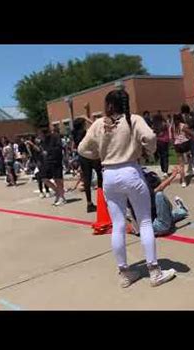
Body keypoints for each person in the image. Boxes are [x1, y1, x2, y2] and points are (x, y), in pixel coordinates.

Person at [78, 89, 177, 288]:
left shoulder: (99, 124)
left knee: (118, 224)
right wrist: (148, 150)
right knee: (145, 221)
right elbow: (149, 136)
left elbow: (82, 148)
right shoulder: (133, 120)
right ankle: (154, 270)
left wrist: (99, 154)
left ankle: (124, 272)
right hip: (130, 170)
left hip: (109, 174)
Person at [129, 166, 189, 236]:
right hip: (158, 226)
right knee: (160, 196)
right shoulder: (144, 192)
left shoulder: (129, 195)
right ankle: (181, 211)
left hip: (147, 226)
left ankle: (182, 210)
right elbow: (160, 188)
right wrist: (173, 175)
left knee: (170, 215)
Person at [72, 116, 102, 213]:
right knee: (100, 175)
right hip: (92, 155)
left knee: (87, 180)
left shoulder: (74, 133)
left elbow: (74, 146)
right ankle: (101, 199)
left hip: (82, 156)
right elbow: (95, 125)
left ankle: (89, 203)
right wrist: (86, 117)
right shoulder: (85, 132)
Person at [171, 113, 194, 188]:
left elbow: (172, 137)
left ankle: (183, 181)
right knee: (190, 156)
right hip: (185, 143)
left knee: (181, 165)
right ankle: (190, 168)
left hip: (177, 145)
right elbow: (192, 134)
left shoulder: (172, 126)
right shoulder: (183, 125)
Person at [41, 126, 66, 206]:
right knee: (44, 178)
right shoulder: (43, 140)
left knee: (58, 179)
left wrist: (48, 152)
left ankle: (61, 197)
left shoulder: (55, 137)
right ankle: (58, 192)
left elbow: (59, 148)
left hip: (56, 161)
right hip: (48, 161)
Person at [152, 112, 171, 178]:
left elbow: (153, 132)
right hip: (165, 141)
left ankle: (163, 169)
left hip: (158, 141)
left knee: (161, 156)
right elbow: (168, 127)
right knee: (165, 156)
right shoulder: (164, 124)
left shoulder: (155, 125)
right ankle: (165, 171)